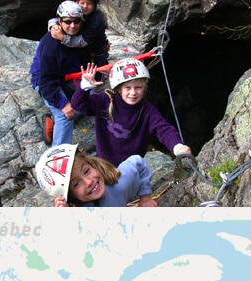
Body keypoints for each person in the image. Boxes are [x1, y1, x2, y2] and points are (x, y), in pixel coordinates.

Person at [72, 59, 191, 167]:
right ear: (119, 88)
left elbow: (164, 129)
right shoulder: (106, 99)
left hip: (131, 167)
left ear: (144, 88)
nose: (133, 92)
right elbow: (79, 105)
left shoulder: (148, 111)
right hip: (104, 162)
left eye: (138, 87)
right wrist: (84, 87)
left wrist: (178, 147)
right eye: (128, 88)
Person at [29, 1, 87, 146]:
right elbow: (46, 82)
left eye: (76, 21)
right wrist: (63, 103)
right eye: (68, 22)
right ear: (59, 21)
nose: (72, 26)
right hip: (46, 81)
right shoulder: (50, 45)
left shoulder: (77, 35)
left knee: (90, 99)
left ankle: (52, 123)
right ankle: (58, 158)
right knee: (65, 116)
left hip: (67, 78)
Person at [35, 144, 155, 207]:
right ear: (70, 197)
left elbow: (138, 162)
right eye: (76, 184)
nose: (88, 182)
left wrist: (145, 198)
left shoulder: (120, 184)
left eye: (86, 171)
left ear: (91, 164)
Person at [48, 0, 108, 66]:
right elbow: (58, 18)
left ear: (94, 5)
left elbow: (83, 42)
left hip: (94, 51)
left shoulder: (96, 20)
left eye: (89, 4)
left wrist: (63, 38)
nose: (85, 6)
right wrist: (53, 26)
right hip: (77, 50)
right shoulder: (73, 9)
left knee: (94, 71)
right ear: (77, 2)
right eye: (82, 3)